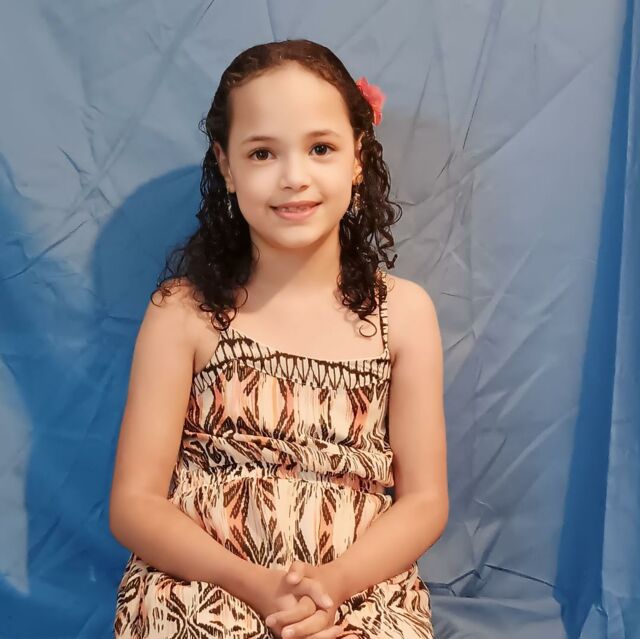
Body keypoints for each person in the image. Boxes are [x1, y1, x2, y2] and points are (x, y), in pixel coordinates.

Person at [109, 38, 448, 639]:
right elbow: (135, 504)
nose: (294, 177)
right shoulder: (182, 313)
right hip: (202, 586)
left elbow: (424, 501)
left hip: (358, 589)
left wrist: (331, 586)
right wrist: (256, 587)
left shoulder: (403, 314)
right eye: (263, 153)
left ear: (358, 157)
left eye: (320, 148)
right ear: (226, 165)